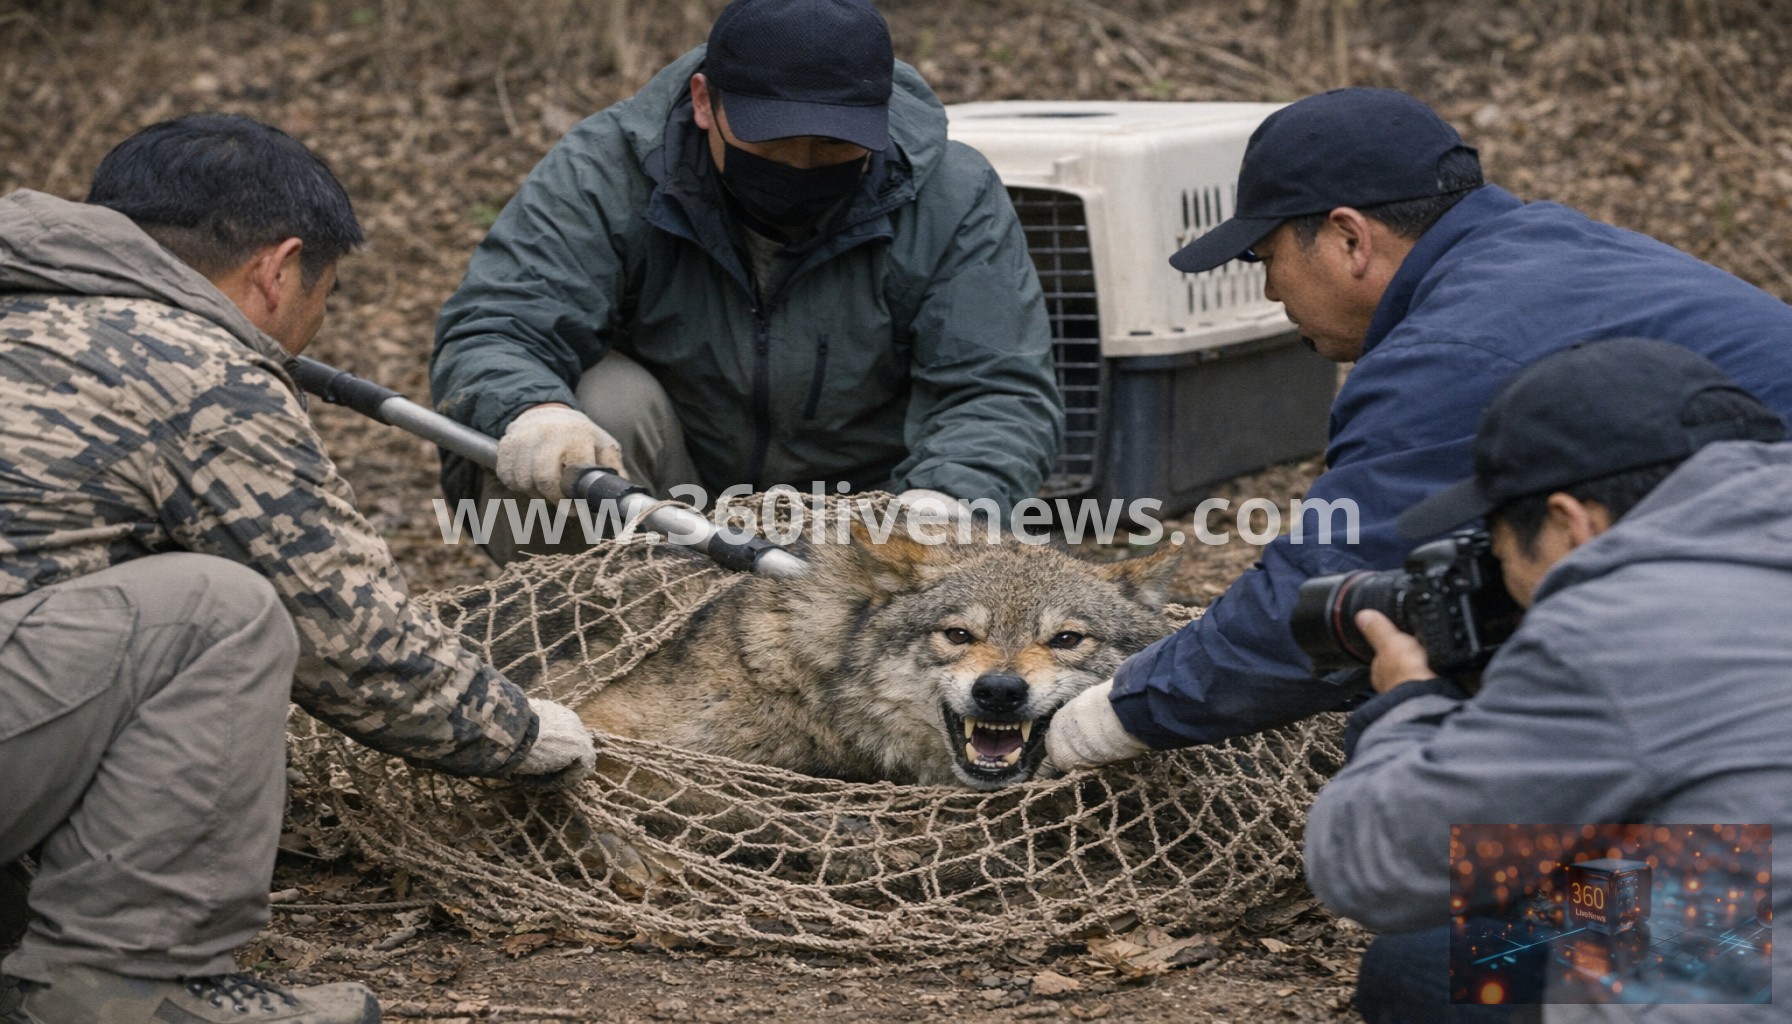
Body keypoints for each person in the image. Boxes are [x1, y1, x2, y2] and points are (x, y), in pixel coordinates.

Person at [0, 115, 596, 1024]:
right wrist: (521, 734)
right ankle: (131, 982)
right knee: (216, 610)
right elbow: (354, 640)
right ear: (278, 270)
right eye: (328, 292)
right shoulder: (191, 365)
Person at [1043, 86, 1792, 772]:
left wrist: (1117, 713)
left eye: (1266, 258)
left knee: (1469, 877)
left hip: (1753, 663)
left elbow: (1333, 581)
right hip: (1747, 588)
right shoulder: (1551, 250)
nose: (1270, 289)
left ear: (1349, 238)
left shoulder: (1451, 348)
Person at [430, 0, 1063, 564]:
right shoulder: (606, 170)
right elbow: (500, 324)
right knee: (599, 402)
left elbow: (996, 388)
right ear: (705, 102)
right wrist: (536, 411)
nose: (801, 163)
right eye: (774, 140)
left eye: (835, 145)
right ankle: (592, 628)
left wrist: (942, 504)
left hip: (865, 524)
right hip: (663, 504)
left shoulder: (952, 193)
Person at [1301, 338, 1792, 1022]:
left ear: (1569, 522)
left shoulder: (1607, 632)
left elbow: (1372, 866)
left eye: (1499, 552)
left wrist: (1408, 703)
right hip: (1753, 906)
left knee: (1428, 966)